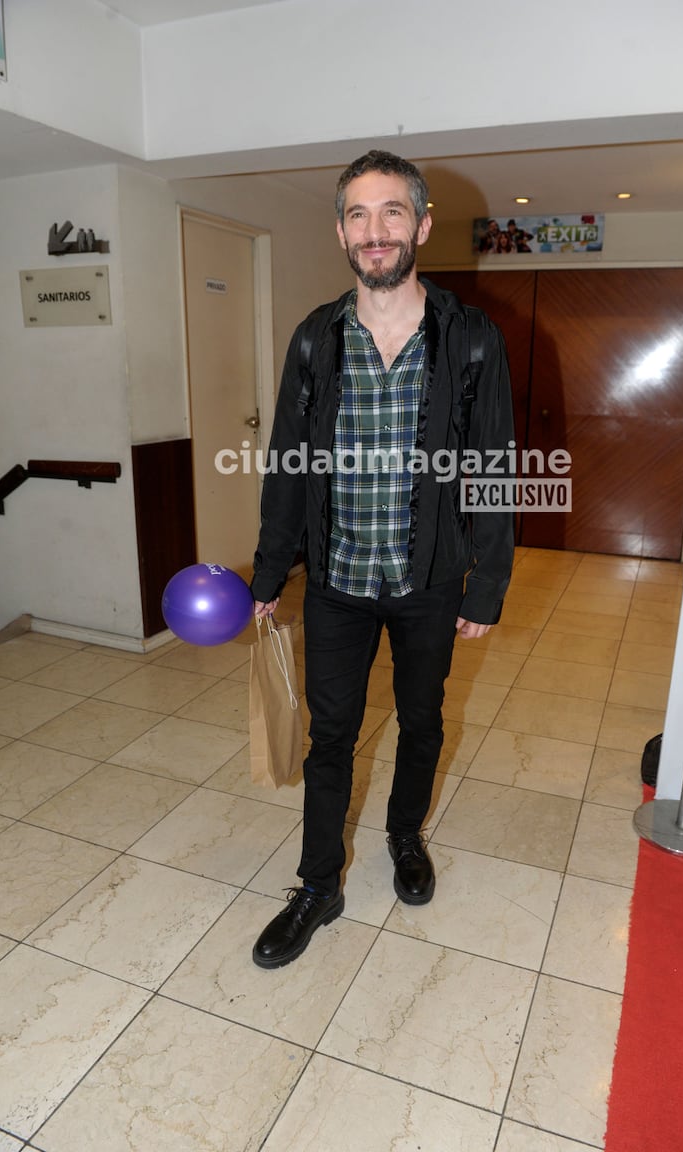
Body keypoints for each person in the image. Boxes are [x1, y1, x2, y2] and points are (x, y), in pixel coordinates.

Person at [250, 149, 514, 969]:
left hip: (429, 579)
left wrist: (487, 583)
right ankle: (318, 884)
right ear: (340, 231)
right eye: (358, 215)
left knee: (424, 718)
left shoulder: (468, 339)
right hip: (335, 583)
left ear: (421, 225)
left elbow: (493, 466)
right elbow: (286, 464)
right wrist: (268, 573)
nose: (375, 231)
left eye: (391, 212)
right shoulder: (314, 339)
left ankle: (404, 836)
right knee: (330, 735)